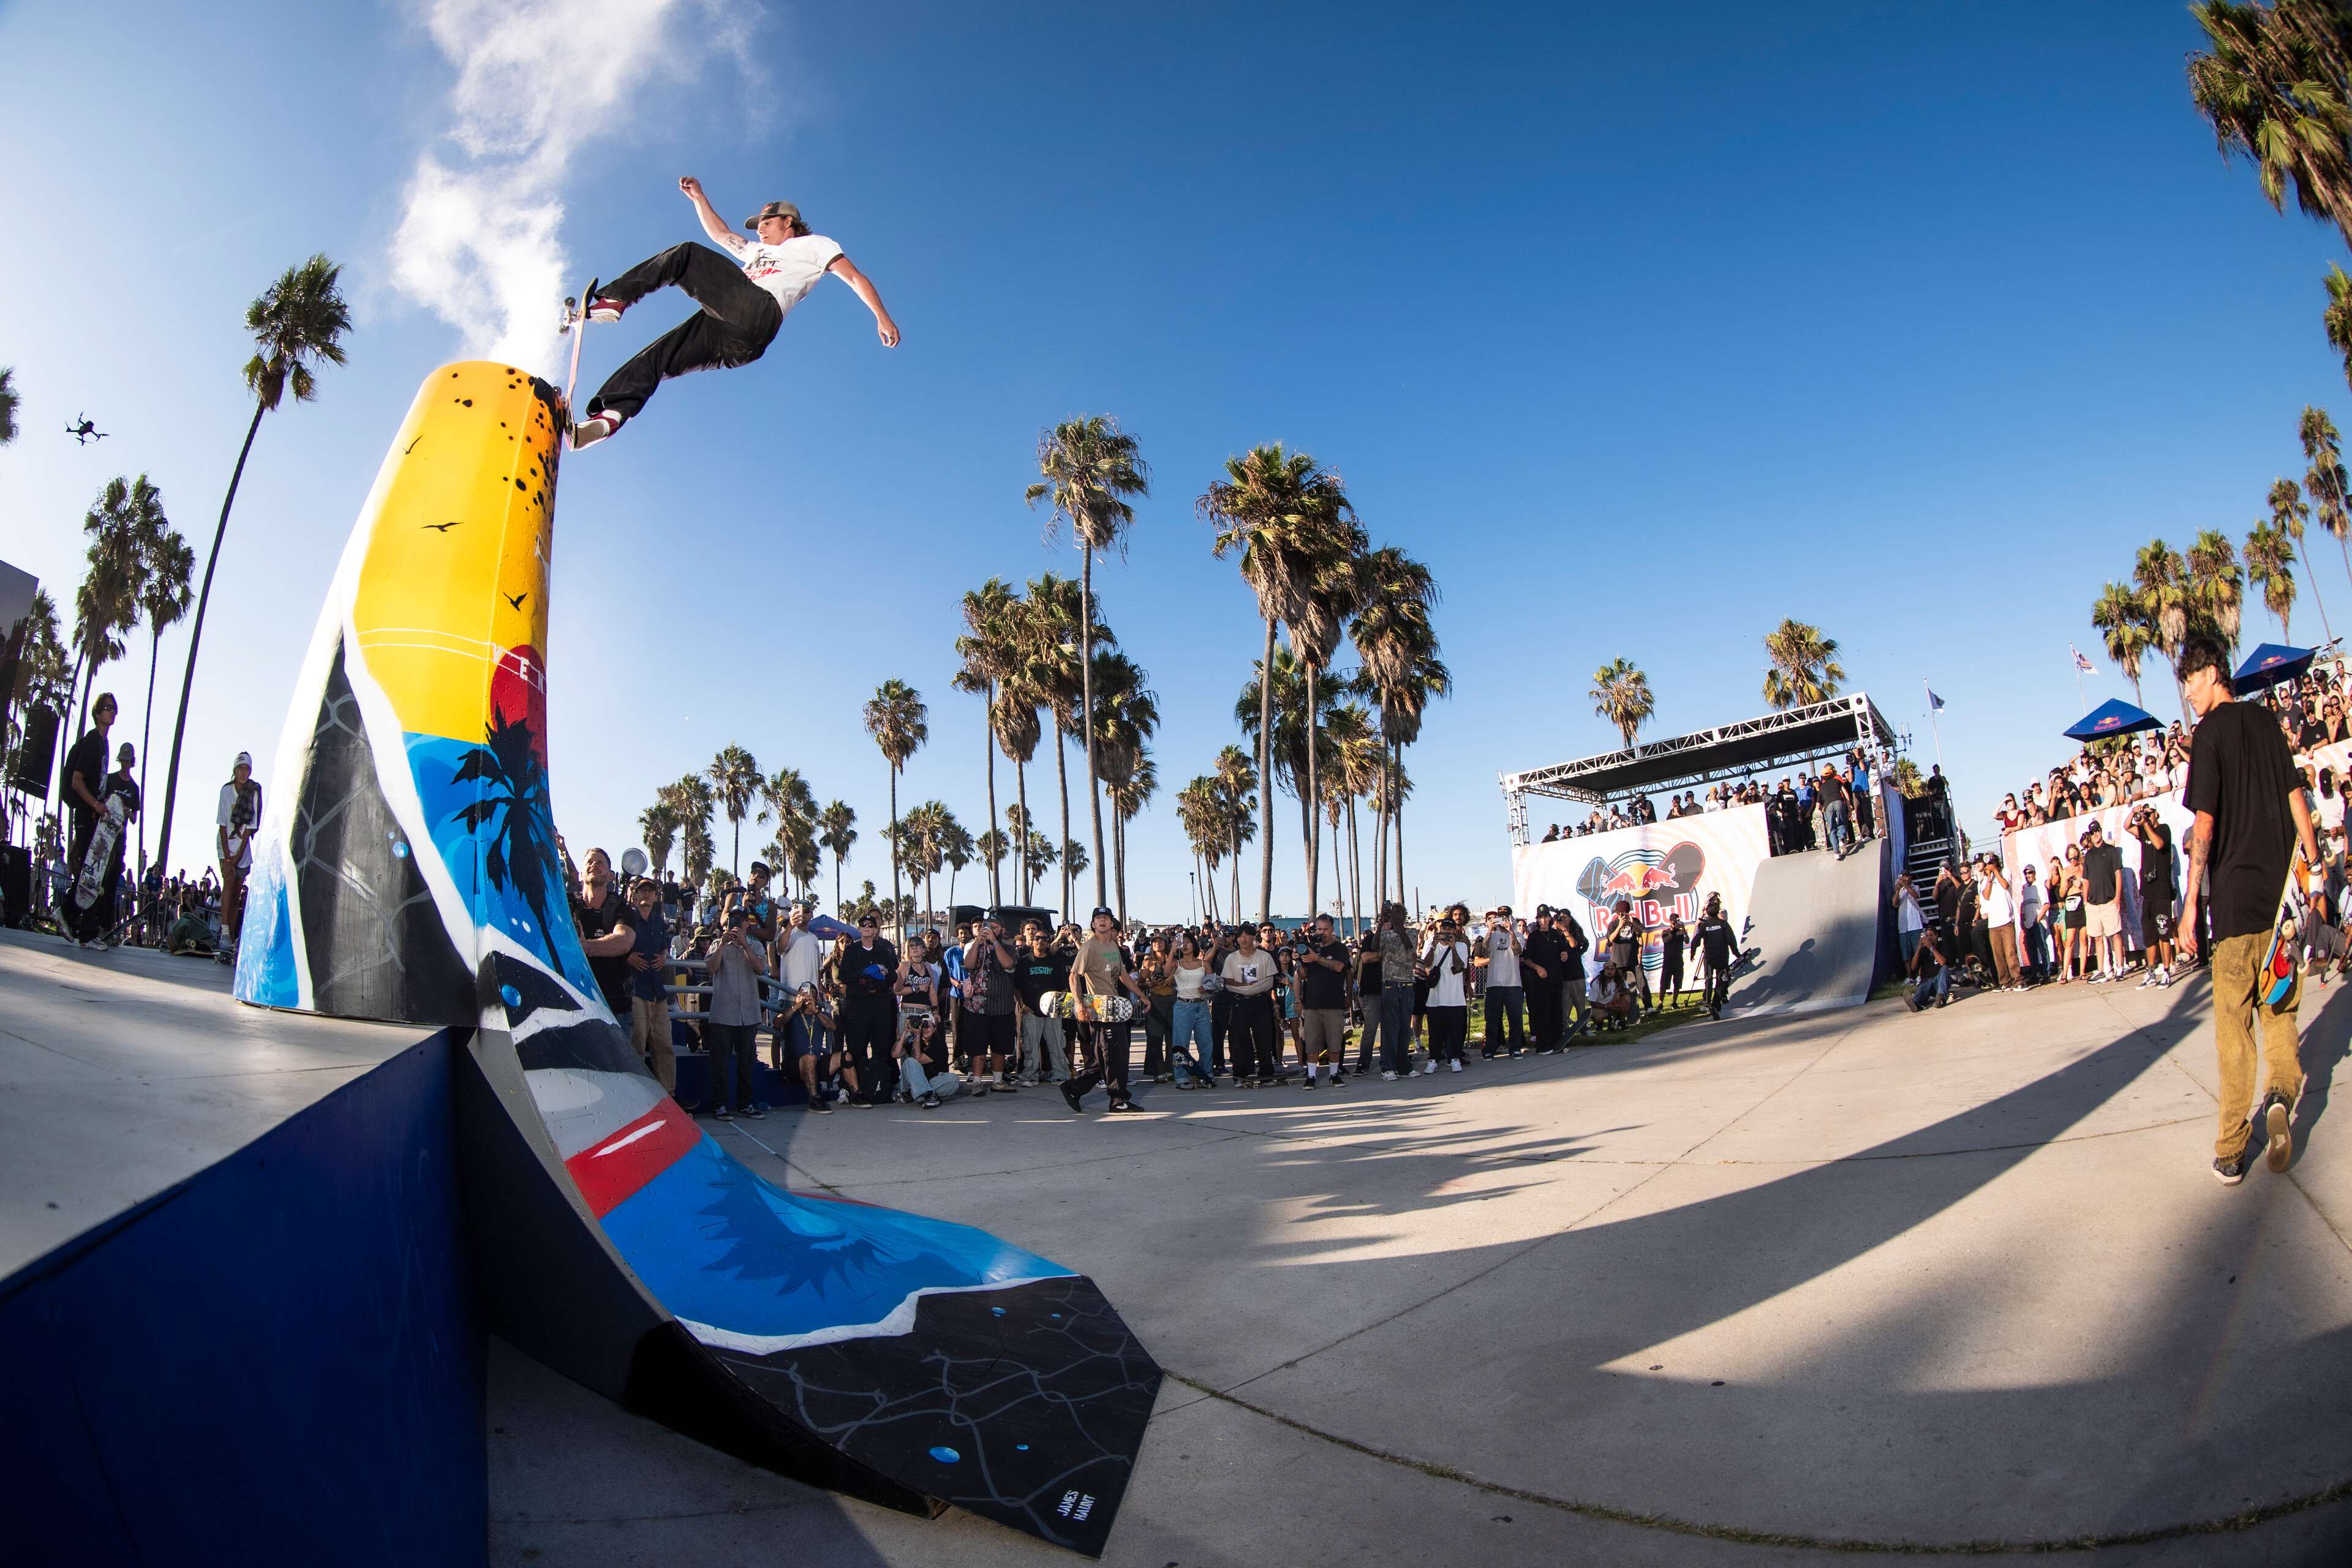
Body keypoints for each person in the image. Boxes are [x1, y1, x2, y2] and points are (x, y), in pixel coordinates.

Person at [571, 177, 899, 448]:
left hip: (760, 310)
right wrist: (699, 198)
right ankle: (610, 416)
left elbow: (854, 277)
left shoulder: (813, 244)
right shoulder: (756, 251)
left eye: (767, 223)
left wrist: (881, 315)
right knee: (659, 356)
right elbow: (720, 234)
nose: (760, 231)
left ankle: (614, 300)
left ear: (788, 222)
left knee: (686, 255)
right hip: (737, 343)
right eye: (759, 226)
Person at [2174, 636, 2320, 1185]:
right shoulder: (2264, 722)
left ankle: (2232, 1150)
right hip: (2281, 903)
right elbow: (2296, 797)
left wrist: (2192, 904)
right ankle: (2280, 1094)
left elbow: (2205, 824)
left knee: (2233, 1031)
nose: (2188, 692)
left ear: (2213, 672)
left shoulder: (2209, 735)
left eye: (2191, 679)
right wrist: (2313, 864)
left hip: (2234, 906)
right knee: (2279, 1009)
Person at [1060, 909, 1150, 1113]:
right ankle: (1118, 1100)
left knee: (1104, 1056)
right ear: (1093, 924)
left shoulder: (1112, 946)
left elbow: (1123, 975)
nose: (1102, 921)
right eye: (1098, 918)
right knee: (1113, 1055)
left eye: (1106, 918)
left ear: (1111, 924)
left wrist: (1142, 996)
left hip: (1114, 1008)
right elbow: (1074, 976)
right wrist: (1079, 1005)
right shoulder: (1089, 947)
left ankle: (1074, 1087)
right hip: (1099, 1011)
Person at [59, 693, 119, 941]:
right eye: (107, 708)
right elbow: (77, 780)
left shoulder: (104, 744)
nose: (112, 712)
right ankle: (84, 930)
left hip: (96, 817)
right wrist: (95, 804)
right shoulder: (93, 742)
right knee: (90, 874)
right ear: (97, 713)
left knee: (92, 875)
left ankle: (69, 916)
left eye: (114, 708)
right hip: (86, 815)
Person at [703, 904, 768, 1118]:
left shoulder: (755, 946)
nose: (736, 924)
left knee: (746, 1063)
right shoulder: (717, 943)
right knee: (720, 1063)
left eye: (740, 920)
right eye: (733, 920)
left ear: (747, 924)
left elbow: (760, 969)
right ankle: (719, 1105)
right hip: (723, 1013)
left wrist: (745, 946)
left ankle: (745, 1103)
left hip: (748, 1014)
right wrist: (723, 944)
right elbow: (711, 968)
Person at [617, 878, 677, 1091]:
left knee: (665, 1047)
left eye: (651, 891)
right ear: (635, 894)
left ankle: (669, 1094)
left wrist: (664, 955)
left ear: (656, 896)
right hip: (635, 990)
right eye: (642, 890)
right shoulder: (626, 919)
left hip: (657, 992)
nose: (647, 894)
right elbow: (615, 944)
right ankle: (636, 1094)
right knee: (637, 1046)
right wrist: (627, 957)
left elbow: (664, 948)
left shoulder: (659, 922)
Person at [835, 914, 900, 1106]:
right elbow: (844, 976)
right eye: (863, 925)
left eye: (871, 925)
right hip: (858, 1005)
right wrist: (863, 972)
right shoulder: (851, 950)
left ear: (875, 930)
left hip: (880, 1004)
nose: (867, 927)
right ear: (859, 929)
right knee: (855, 1048)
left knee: (881, 1048)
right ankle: (849, 1089)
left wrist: (883, 974)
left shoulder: (883, 951)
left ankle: (882, 1089)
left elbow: (893, 976)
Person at [956, 916, 1020, 1095]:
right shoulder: (976, 946)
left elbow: (1008, 964)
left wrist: (995, 943)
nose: (991, 930)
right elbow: (969, 965)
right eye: (988, 927)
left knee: (1000, 1047)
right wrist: (978, 942)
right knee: (978, 1047)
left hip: (1002, 1006)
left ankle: (998, 1082)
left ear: (1002, 931)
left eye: (995, 928)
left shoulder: (1009, 949)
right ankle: (977, 1082)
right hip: (977, 1007)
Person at [571, 848, 638, 1019]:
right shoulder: (565, 903)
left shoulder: (621, 908)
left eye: (600, 863)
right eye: (590, 862)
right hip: (572, 1006)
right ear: (581, 874)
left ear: (610, 876)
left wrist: (587, 947)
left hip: (615, 1009)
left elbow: (624, 941)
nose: (594, 865)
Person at [1218, 922, 1283, 1087]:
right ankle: (1240, 1074)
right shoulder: (1232, 958)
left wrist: (1249, 988)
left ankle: (1266, 1074)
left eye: (1247, 935)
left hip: (1261, 1001)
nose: (1244, 939)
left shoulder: (1264, 957)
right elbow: (1228, 982)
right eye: (1240, 936)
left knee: (1264, 1038)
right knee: (1239, 1039)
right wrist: (1247, 987)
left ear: (1254, 936)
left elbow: (1269, 982)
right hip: (1239, 1002)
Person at [1295, 914, 1354, 1088]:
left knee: (1335, 1043)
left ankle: (1334, 1074)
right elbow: (1303, 975)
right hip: (1312, 1004)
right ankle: (1311, 1076)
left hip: (1334, 1003)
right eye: (1319, 929)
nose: (1322, 933)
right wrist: (1299, 960)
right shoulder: (1311, 948)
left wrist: (1317, 958)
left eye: (1325, 929)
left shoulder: (1339, 948)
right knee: (1312, 1044)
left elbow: (1339, 967)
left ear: (1332, 929)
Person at [214, 751, 262, 959]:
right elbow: (222, 825)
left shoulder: (253, 791)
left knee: (236, 893)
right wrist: (227, 859)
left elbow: (250, 829)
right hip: (226, 846)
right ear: (235, 770)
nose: (244, 773)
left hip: (243, 849)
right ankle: (224, 932)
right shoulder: (227, 791)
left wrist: (238, 856)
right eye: (241, 768)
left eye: (247, 769)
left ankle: (232, 936)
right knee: (229, 881)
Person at [1014, 921, 1072, 1084]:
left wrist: (1059, 1007)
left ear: (1048, 943)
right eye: (1038, 938)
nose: (1041, 941)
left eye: (1045, 939)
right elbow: (1016, 987)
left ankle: (1061, 1074)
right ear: (1032, 941)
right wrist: (1023, 1006)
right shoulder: (1024, 962)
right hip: (1031, 1011)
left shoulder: (1055, 962)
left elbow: (1064, 987)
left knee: (1057, 1045)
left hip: (1052, 1012)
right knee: (1030, 1046)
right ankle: (1030, 1075)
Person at [2129, 804, 2179, 989]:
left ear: (2156, 814)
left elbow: (2159, 844)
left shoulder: (2163, 830)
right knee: (2150, 936)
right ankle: (2150, 972)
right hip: (2148, 892)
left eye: (2149, 813)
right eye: (2145, 814)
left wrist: (2146, 824)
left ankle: (2166, 971)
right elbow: (2127, 826)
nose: (2146, 816)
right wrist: (2134, 812)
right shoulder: (2143, 832)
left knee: (2164, 933)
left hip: (2162, 891)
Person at [1420, 915, 1471, 1074]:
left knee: (1455, 1032)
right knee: (1435, 1033)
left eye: (1450, 929)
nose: (1447, 932)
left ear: (1454, 931)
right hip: (1436, 998)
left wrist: (1453, 948)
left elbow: (1460, 967)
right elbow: (1426, 964)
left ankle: (1455, 1059)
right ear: (1440, 930)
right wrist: (1434, 946)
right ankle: (1433, 1060)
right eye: (1444, 929)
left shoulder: (1461, 946)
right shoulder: (1431, 944)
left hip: (1455, 998)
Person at [1474, 906, 1527, 1058]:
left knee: (1515, 1018)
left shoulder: (1518, 935)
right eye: (1500, 917)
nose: (1502, 920)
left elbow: (1517, 951)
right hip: (1494, 983)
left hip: (1513, 983)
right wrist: (1490, 930)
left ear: (1510, 918)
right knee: (1492, 1019)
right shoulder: (1492, 936)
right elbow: (1484, 952)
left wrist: (1510, 931)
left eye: (1505, 917)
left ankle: (1515, 1048)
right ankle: (1490, 1049)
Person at [1166, 932, 1217, 1088]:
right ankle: (1181, 1077)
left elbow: (1212, 984)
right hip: (1183, 1006)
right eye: (1182, 942)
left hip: (1201, 1005)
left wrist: (1206, 988)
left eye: (1188, 942)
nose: (1185, 945)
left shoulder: (1204, 964)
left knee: (1206, 1042)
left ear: (1194, 945)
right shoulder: (1176, 964)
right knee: (1181, 1044)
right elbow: (1166, 973)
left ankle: (1206, 1074)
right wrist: (1172, 950)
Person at [2079, 821, 2127, 982]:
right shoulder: (2089, 856)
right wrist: (2085, 902)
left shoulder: (2111, 851)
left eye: (2097, 831)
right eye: (2093, 832)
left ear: (2101, 831)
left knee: (2115, 935)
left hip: (2109, 901)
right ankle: (2101, 970)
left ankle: (2120, 967)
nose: (2096, 834)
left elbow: (2118, 875)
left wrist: (2117, 898)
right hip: (2093, 904)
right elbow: (2086, 880)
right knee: (2098, 938)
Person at [1693, 894, 1737, 1020]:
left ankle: (1717, 1000)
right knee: (1721, 978)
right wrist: (1736, 953)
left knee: (1718, 978)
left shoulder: (1705, 925)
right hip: (1721, 956)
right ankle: (1716, 1003)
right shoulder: (1722, 924)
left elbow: (1696, 940)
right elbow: (1731, 940)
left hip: (1710, 956)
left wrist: (1693, 951)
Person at [1902, 922, 1949, 1011]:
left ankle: (1940, 999)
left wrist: (1932, 948)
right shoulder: (1923, 950)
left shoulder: (1942, 946)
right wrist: (1918, 949)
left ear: (1936, 935)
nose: (1929, 938)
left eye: (1931, 935)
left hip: (1939, 983)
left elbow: (1943, 963)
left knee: (1945, 969)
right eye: (1927, 936)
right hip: (1927, 981)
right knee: (1923, 987)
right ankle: (1916, 1004)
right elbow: (1913, 967)